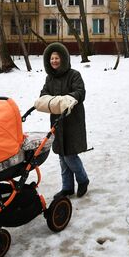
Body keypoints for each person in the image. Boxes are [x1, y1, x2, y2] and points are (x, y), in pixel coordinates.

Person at [34, 42, 90, 199]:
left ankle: (83, 180)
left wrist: (69, 99)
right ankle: (67, 187)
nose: (54, 61)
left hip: (73, 121)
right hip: (57, 122)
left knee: (69, 155)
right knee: (62, 155)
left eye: (57, 58)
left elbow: (80, 92)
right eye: (51, 58)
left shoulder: (74, 75)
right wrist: (46, 101)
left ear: (63, 59)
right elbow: (44, 94)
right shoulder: (49, 78)